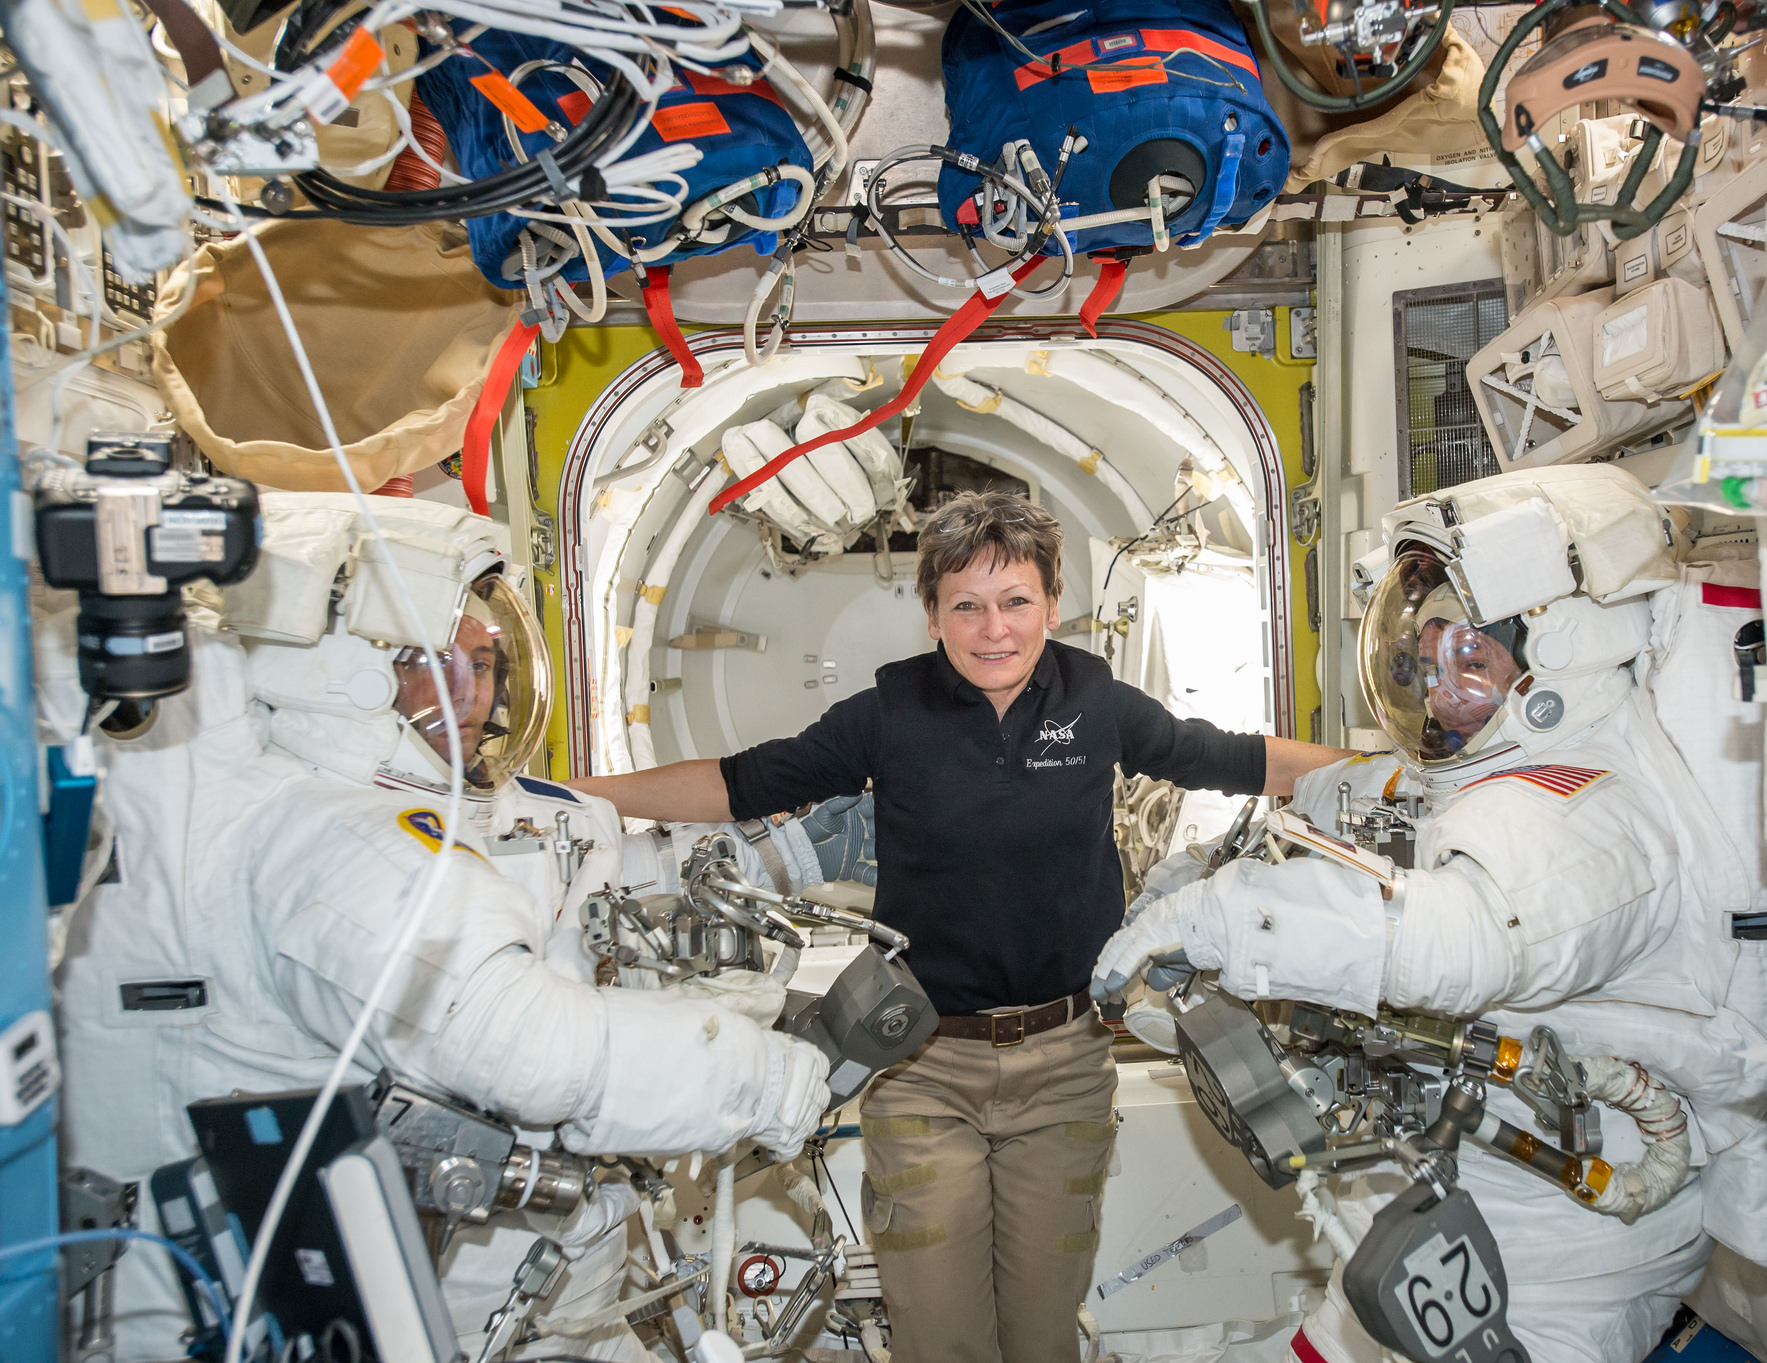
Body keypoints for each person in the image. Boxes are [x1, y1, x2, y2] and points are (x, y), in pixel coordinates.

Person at [571, 488, 1351, 1363]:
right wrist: (579, 798)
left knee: (1041, 1336)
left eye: (1017, 601)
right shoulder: (889, 713)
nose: (994, 629)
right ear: (933, 613)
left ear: (1053, 606)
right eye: (966, 605)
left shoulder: (1097, 702)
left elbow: (1232, 757)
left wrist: (1378, 776)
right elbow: (741, 780)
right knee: (942, 1339)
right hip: (925, 1067)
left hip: (1065, 1068)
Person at [52, 494, 832, 1362]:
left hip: (547, 1265)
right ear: (340, 673)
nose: (469, 691)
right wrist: (773, 1081)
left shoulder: (438, 806)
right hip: (451, 1291)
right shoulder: (330, 838)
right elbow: (527, 1049)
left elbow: (591, 853)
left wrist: (786, 853)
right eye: (428, 661)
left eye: (484, 662)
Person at [1093, 466, 1767, 1363]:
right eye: (1427, 660)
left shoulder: (1589, 805)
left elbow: (1467, 941)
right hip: (1439, 1225)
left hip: (1554, 1270)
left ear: (1555, 661)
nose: (1438, 691)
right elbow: (1324, 805)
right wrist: (1193, 877)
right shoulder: (1459, 778)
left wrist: (1221, 922)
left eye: (1470, 662)